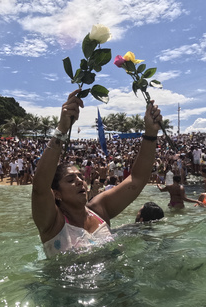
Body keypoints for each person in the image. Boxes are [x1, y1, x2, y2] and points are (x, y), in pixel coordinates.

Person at [31, 90, 162, 258]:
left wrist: (151, 134)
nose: (80, 181)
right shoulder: (52, 223)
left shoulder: (99, 210)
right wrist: (62, 128)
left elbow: (137, 180)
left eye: (80, 176)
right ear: (56, 194)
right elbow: (40, 188)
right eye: (70, 179)